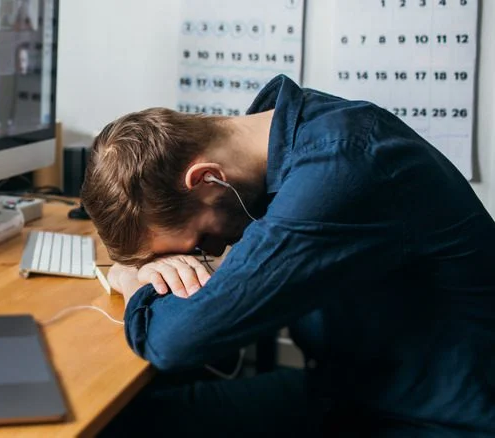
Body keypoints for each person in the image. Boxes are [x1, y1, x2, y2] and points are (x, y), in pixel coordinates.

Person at [81, 75, 495, 437]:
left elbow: (173, 342)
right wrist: (142, 267)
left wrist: (135, 283)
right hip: (356, 389)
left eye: (200, 241)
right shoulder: (291, 139)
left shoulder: (338, 170)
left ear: (207, 178)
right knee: (125, 424)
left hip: (430, 420)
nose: (210, 253)